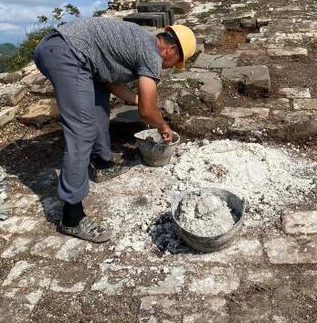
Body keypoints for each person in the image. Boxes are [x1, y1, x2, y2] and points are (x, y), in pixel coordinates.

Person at [34, 17, 196, 243]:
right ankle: (72, 217)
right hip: (66, 53)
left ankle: (102, 163)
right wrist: (162, 126)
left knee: (99, 104)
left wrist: (134, 99)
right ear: (170, 49)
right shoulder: (152, 54)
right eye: (176, 61)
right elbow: (147, 112)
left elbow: (108, 81)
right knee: (81, 131)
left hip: (64, 49)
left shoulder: (139, 40)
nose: (169, 68)